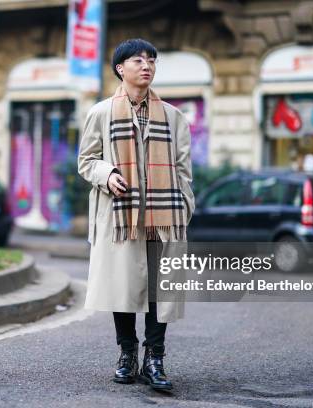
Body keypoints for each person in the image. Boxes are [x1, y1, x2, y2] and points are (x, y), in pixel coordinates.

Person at [78, 38, 195, 391]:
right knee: (123, 288)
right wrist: (107, 175)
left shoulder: (174, 117)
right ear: (120, 68)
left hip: (164, 218)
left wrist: (183, 205)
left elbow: (183, 170)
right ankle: (127, 354)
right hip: (120, 218)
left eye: (152, 60)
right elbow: (86, 161)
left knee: (161, 291)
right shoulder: (100, 113)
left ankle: (154, 358)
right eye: (138, 60)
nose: (147, 66)